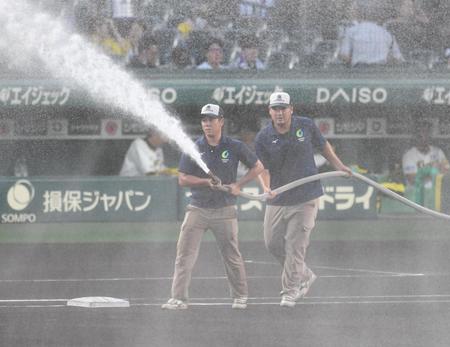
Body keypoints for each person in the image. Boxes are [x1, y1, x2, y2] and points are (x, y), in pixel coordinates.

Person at [162, 103, 264, 310]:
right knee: (184, 254)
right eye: (204, 120)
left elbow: (258, 167)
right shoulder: (194, 147)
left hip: (225, 210)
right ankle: (179, 298)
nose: (207, 123)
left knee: (232, 255)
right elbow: (182, 179)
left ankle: (240, 296)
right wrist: (205, 182)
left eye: (211, 119)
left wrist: (238, 185)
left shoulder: (234, 146)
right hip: (197, 208)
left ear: (221, 122)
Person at [255, 92, 352, 308]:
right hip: (279, 197)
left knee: (295, 245)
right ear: (269, 111)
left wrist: (339, 166)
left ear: (292, 109)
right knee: (272, 243)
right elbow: (261, 168)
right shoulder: (263, 137)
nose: (279, 113)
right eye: (275, 109)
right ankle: (304, 275)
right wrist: (267, 187)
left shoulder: (306, 126)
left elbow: (324, 146)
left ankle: (290, 290)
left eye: (283, 108)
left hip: (306, 196)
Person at [338, 5, 405, 67]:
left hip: (358, 72)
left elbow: (344, 56)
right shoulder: (386, 33)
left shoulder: (351, 31)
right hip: (381, 73)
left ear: (359, 14)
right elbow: (397, 59)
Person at [402, 119, 449, 188]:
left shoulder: (438, 151)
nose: (424, 136)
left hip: (437, 194)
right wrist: (434, 170)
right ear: (416, 135)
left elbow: (447, 172)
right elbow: (412, 179)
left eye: (427, 132)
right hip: (416, 194)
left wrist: (428, 173)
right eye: (421, 132)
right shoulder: (409, 155)